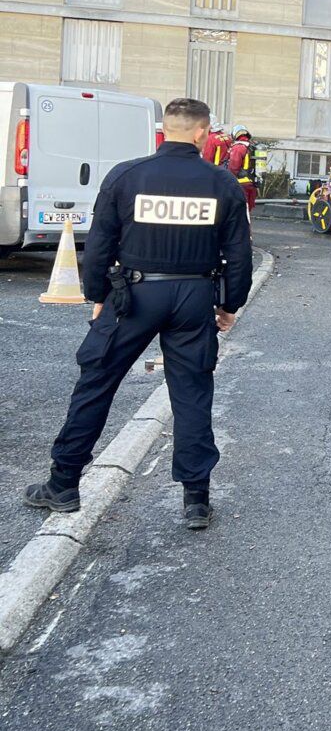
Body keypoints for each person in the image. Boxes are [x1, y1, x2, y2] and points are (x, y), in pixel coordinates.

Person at [24, 97, 253, 531]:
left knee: (96, 383)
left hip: (133, 294)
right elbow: (239, 255)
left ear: (165, 130)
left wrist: (96, 294)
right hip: (194, 297)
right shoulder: (222, 183)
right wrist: (229, 305)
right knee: (191, 392)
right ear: (203, 132)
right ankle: (196, 500)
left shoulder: (126, 176)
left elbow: (99, 244)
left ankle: (63, 484)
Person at [227, 126, 258, 214]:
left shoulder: (238, 148)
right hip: (250, 184)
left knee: (238, 214)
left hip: (240, 185)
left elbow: (233, 168)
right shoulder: (250, 146)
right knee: (246, 215)